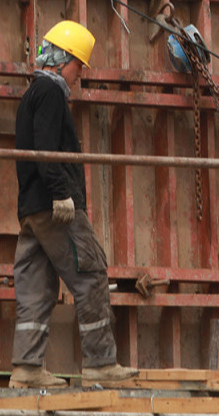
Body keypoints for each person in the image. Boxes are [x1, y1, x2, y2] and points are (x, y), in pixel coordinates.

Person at [9, 20, 137, 389]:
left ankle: (27, 368)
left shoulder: (31, 93)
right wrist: (61, 192)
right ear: (63, 59)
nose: (79, 76)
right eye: (79, 66)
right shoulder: (50, 91)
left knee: (37, 285)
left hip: (31, 211)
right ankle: (100, 364)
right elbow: (46, 146)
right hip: (54, 207)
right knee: (91, 273)